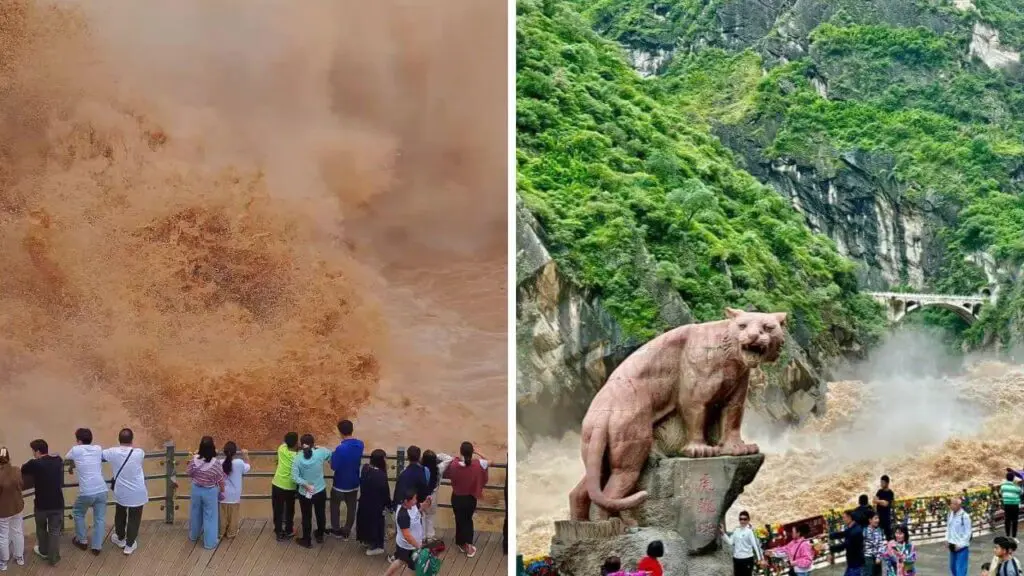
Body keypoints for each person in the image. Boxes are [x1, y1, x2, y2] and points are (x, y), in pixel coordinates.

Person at [102, 428, 147, 555]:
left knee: (120, 515)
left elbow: (98, 455)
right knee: (134, 518)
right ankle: (129, 545)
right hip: (137, 492)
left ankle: (120, 538)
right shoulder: (139, 452)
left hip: (121, 491)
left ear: (119, 439)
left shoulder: (112, 452)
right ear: (132, 440)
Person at [21, 439, 64, 566]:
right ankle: (54, 557)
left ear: (38, 451)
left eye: (33, 451)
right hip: (57, 503)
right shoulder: (58, 460)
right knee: (55, 530)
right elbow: (58, 457)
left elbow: (24, 468)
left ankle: (43, 551)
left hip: (41, 504)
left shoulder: (35, 463)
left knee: (41, 528)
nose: (33, 454)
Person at [443, 442, 489, 558]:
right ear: (471, 452)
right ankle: (468, 547)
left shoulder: (453, 465)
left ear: (461, 451)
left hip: (456, 498)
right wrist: (477, 451)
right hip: (470, 498)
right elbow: (489, 460)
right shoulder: (478, 465)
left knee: (459, 520)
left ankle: (460, 543)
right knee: (468, 520)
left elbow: (445, 471)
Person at [65, 428, 107, 555]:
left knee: (78, 513)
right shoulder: (98, 448)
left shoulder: (76, 450)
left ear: (78, 440)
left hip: (87, 492)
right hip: (102, 489)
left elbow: (67, 457)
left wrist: (73, 465)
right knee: (99, 518)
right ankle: (97, 547)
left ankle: (82, 541)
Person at [291, 434, 331, 548]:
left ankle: (306, 540)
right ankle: (320, 535)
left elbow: (294, 477)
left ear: (301, 444)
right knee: (320, 513)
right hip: (320, 490)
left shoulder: (297, 458)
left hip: (305, 493)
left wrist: (305, 484)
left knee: (306, 516)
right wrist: (320, 448)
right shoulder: (320, 452)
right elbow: (330, 455)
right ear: (313, 443)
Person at [187, 436, 225, 550]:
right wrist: (222, 490)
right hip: (210, 492)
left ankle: (193, 535)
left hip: (196, 490)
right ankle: (209, 543)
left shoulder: (194, 460)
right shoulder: (216, 463)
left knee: (195, 513)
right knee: (210, 517)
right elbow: (220, 479)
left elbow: (188, 472)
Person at [329, 419, 363, 540]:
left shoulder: (340, 449)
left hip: (339, 484)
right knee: (351, 508)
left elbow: (334, 466)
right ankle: (347, 531)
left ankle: (336, 529)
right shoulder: (360, 444)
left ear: (340, 432)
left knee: (334, 506)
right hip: (354, 483)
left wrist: (331, 458)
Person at [356, 449, 390, 557]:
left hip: (364, 501)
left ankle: (366, 540)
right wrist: (389, 505)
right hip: (376, 505)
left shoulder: (365, 469)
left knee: (364, 521)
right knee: (377, 525)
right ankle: (376, 546)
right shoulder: (381, 476)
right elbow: (385, 493)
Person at [385, 490, 423, 576]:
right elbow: (407, 536)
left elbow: (421, 507)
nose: (416, 501)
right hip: (408, 547)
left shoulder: (411, 506)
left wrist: (427, 502)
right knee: (414, 568)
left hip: (407, 546)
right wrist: (418, 546)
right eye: (414, 499)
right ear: (406, 501)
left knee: (400, 561)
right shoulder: (403, 515)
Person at [271, 432, 300, 541]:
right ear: (296, 443)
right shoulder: (298, 456)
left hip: (277, 484)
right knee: (289, 510)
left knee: (277, 509)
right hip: (290, 487)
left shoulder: (281, 449)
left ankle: (278, 531)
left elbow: (285, 443)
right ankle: (288, 530)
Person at [0, 447, 25, 571]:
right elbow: (21, 485)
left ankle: (4, 562)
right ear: (8, 457)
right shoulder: (16, 470)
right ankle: (19, 557)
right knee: (17, 531)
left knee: (3, 536)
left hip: (3, 511)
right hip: (17, 507)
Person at [219, 441, 250, 540]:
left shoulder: (219, 462)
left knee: (222, 515)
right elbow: (248, 467)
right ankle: (231, 532)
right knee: (233, 515)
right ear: (235, 452)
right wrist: (246, 455)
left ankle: (221, 532)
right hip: (235, 495)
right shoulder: (239, 463)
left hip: (222, 493)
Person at [421, 450, 453, 541]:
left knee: (422, 515)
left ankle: (422, 536)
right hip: (433, 496)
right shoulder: (439, 468)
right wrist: (437, 456)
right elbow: (449, 459)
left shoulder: (420, 469)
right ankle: (430, 536)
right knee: (430, 516)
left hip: (422, 495)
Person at [721, 510, 764, 576]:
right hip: (737, 559)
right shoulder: (736, 530)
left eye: (744, 519)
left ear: (748, 520)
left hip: (747, 559)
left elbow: (756, 546)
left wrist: (760, 559)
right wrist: (723, 533)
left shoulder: (750, 531)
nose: (742, 521)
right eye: (741, 519)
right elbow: (730, 542)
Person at [829, 510, 865, 576]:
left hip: (856, 564)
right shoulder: (852, 528)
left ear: (849, 517)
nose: (843, 519)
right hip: (853, 563)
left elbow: (845, 545)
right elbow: (843, 534)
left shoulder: (855, 531)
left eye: (844, 517)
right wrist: (828, 535)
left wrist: (830, 549)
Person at [947, 497, 973, 576]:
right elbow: (948, 527)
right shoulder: (950, 514)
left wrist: (961, 545)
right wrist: (947, 539)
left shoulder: (965, 516)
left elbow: (968, 533)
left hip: (962, 547)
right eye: (950, 504)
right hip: (952, 545)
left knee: (960, 570)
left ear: (958, 505)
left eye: (953, 504)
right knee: (953, 567)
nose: (951, 506)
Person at [865, 511, 887, 576]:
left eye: (878, 518)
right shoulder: (864, 531)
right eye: (876, 518)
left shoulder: (880, 531)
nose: (878, 520)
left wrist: (879, 557)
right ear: (870, 520)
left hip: (878, 559)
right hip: (867, 559)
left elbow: (883, 545)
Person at [1002, 472, 1022, 539]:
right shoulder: (1016, 486)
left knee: (1007, 520)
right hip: (1014, 505)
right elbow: (1021, 492)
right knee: (1014, 520)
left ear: (1006, 478)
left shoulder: (1003, 486)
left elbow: (1000, 492)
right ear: (1013, 478)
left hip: (1006, 505)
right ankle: (1014, 536)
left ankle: (1007, 535)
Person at [875, 475, 895, 541]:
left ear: (887, 483)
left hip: (886, 517)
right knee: (878, 536)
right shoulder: (879, 491)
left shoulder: (890, 493)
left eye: (882, 482)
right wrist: (882, 501)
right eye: (881, 482)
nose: (881, 484)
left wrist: (878, 501)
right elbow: (874, 501)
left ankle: (889, 550)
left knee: (888, 537)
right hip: (878, 517)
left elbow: (886, 504)